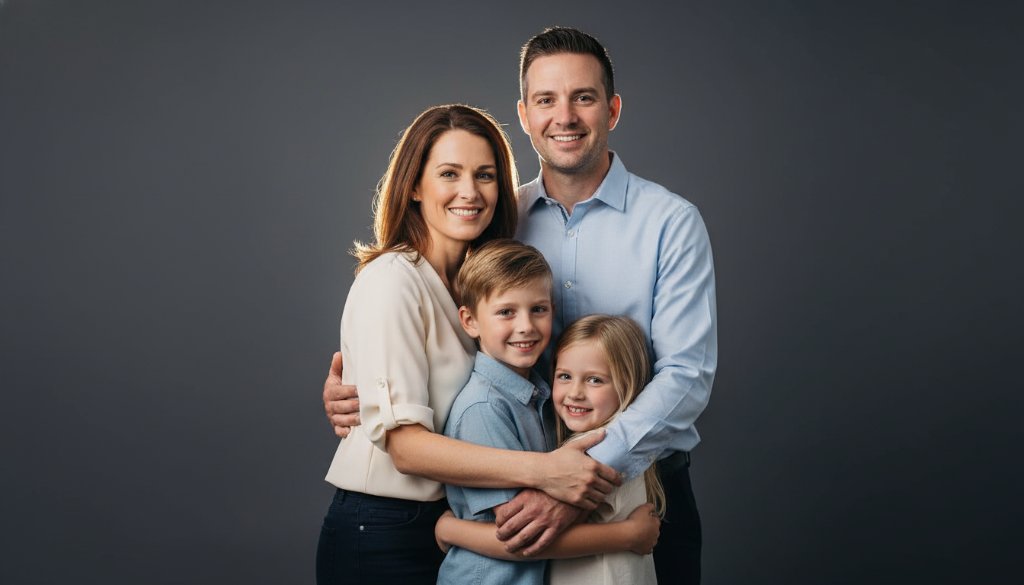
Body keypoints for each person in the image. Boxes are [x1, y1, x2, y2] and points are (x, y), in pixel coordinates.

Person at [324, 28, 718, 584]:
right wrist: (361, 389)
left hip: (641, 487)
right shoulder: (497, 223)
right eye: (545, 100)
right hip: (509, 496)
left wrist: (584, 475)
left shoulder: (670, 224)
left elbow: (686, 376)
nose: (566, 116)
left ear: (613, 108)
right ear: (525, 115)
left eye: (583, 97)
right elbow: (451, 332)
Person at [315, 104, 620, 585]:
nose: (469, 192)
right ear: (415, 186)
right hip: (383, 529)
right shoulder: (392, 281)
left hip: (453, 525)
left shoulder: (487, 289)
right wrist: (545, 471)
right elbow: (407, 450)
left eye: (485, 175)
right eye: (449, 174)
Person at [437, 243, 660, 585]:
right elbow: (522, 534)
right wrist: (628, 535)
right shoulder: (483, 408)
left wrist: (449, 528)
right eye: (506, 312)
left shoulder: (544, 396)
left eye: (537, 309)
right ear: (469, 320)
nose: (526, 326)